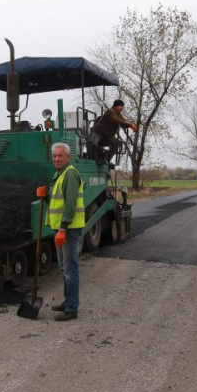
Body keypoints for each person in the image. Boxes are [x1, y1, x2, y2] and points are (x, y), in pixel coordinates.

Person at [37, 142, 85, 321]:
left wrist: (63, 228)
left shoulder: (70, 174)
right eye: (54, 156)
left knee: (70, 268)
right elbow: (59, 200)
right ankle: (68, 302)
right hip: (62, 229)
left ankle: (72, 309)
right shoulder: (59, 174)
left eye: (60, 155)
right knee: (64, 267)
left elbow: (71, 204)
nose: (56, 158)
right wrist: (45, 196)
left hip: (69, 229)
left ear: (68, 157)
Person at [91, 99, 138, 165]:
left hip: (108, 136)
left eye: (123, 106)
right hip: (99, 133)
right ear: (116, 106)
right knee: (94, 142)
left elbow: (123, 122)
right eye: (121, 106)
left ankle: (106, 158)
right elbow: (116, 120)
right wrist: (130, 125)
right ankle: (96, 159)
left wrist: (131, 126)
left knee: (117, 143)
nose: (122, 108)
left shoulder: (118, 114)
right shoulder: (110, 111)